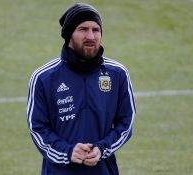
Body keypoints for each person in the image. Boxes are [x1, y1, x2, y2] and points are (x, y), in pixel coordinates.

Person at [27, 3, 136, 175]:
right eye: (83, 29)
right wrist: (68, 151)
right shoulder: (44, 77)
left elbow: (126, 124)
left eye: (96, 30)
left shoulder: (117, 74)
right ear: (69, 34)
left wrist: (102, 148)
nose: (91, 36)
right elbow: (38, 129)